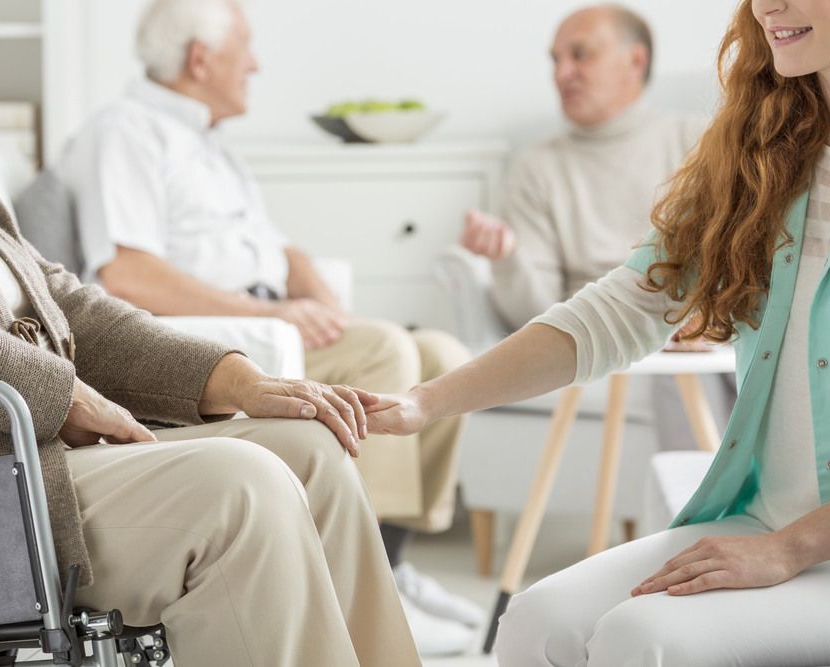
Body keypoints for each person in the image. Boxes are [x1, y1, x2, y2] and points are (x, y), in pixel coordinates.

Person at [0, 1, 422, 665]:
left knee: (312, 449)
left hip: (29, 449)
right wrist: (62, 394)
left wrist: (234, 378)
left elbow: (61, 298)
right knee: (242, 489)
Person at [367, 0, 830, 662]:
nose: (769, 5)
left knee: (641, 639)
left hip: (806, 543)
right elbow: (619, 307)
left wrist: (790, 548)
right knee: (533, 621)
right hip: (762, 517)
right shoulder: (757, 153)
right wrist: (426, 402)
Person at [55, 0, 479, 654]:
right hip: (219, 330)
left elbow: (275, 249)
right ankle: (382, 573)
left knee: (441, 356)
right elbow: (126, 272)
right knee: (389, 352)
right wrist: (271, 312)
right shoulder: (125, 131)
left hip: (271, 315)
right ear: (200, 58)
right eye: (244, 46)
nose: (255, 63)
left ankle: (392, 560)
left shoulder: (210, 144)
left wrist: (306, 284)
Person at [461, 3, 734, 453]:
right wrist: (507, 258)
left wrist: (710, 316)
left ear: (636, 60)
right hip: (612, 334)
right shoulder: (538, 168)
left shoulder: (702, 142)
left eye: (580, 54)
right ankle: (704, 518)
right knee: (679, 374)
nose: (562, 72)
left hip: (703, 329)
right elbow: (535, 313)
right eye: (555, 59)